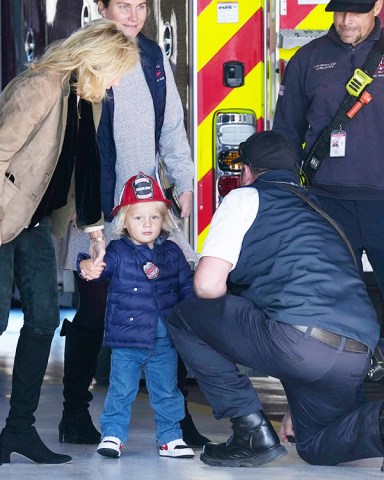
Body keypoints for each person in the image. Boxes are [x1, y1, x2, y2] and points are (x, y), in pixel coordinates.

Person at [166, 130, 384, 468]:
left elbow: (207, 286)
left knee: (184, 317)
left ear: (248, 172)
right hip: (356, 354)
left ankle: (249, 429)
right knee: (315, 446)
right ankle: (379, 423)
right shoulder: (324, 210)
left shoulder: (244, 198)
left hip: (299, 344)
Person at [56, 0, 208, 449]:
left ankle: (177, 421)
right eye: (122, 5)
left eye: (141, 5)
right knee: (96, 310)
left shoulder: (153, 58)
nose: (133, 14)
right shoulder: (84, 56)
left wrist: (182, 179)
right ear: (100, 8)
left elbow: (172, 130)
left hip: (147, 210)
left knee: (168, 308)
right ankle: (74, 414)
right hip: (96, 208)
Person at [0, 19, 139, 464]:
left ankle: (18, 431)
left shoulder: (86, 99)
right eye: (116, 71)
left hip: (36, 222)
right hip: (4, 219)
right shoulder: (41, 86)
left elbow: (87, 166)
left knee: (42, 321)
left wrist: (96, 232)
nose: (117, 82)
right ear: (98, 62)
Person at [77, 172, 195, 459]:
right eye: (138, 218)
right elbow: (98, 267)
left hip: (163, 340)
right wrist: (88, 265)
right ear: (124, 222)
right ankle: (113, 435)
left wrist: (195, 321)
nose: (147, 224)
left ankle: (170, 438)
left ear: (164, 219)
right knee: (122, 389)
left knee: (167, 390)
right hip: (127, 341)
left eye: (154, 217)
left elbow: (186, 290)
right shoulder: (117, 251)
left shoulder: (173, 253)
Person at [272, 0, 384, 294]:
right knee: (336, 303)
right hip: (326, 203)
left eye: (356, 12)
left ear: (377, 6)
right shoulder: (307, 59)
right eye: (339, 11)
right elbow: (286, 133)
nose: (346, 20)